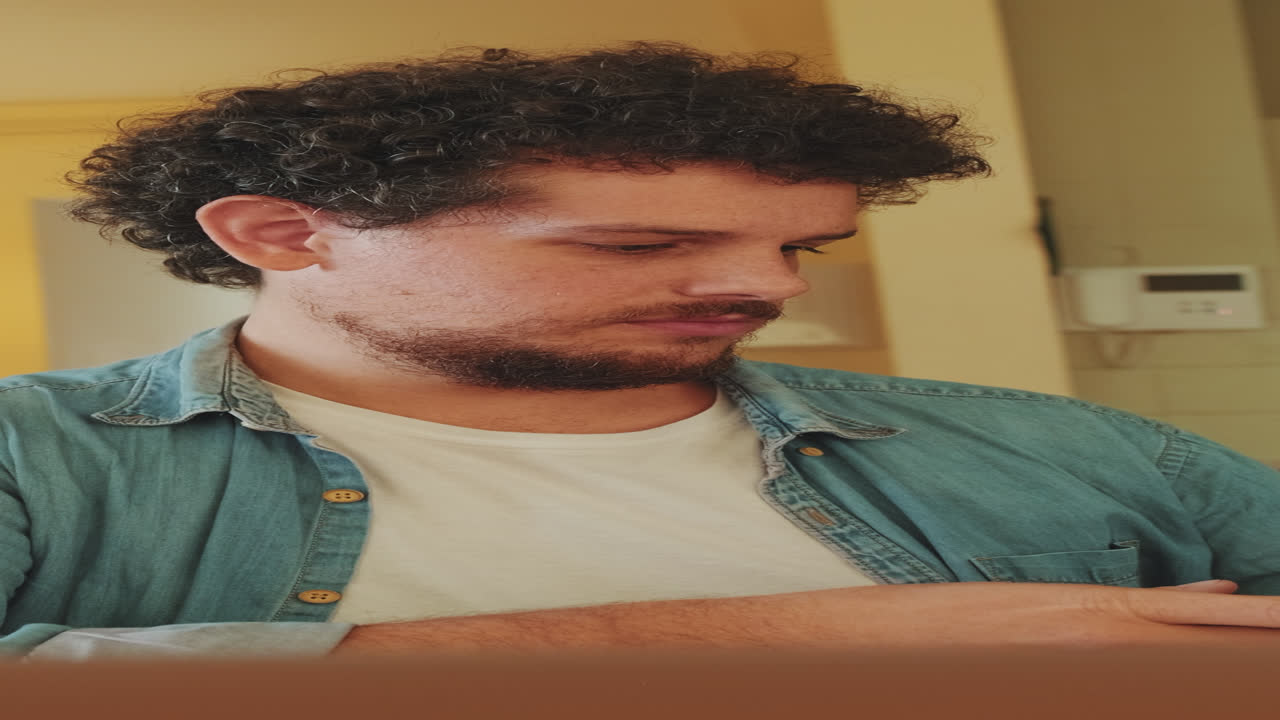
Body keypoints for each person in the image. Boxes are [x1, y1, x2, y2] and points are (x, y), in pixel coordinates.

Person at [4, 42, 1280, 661]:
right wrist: (859, 640)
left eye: (801, 249)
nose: (760, 289)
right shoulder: (34, 456)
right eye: (632, 248)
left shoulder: (1083, 452)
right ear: (285, 234)